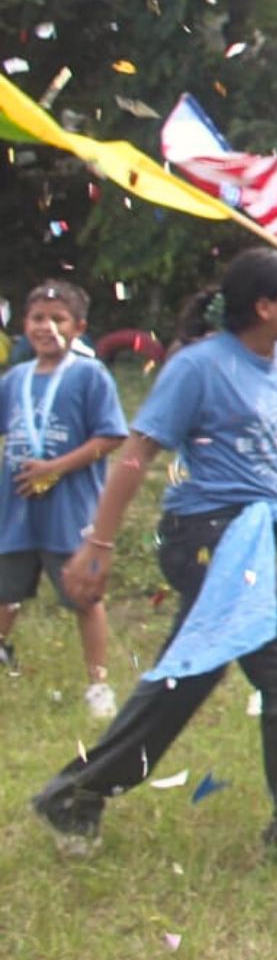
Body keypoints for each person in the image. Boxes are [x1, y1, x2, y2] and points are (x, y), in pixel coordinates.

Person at [32, 248, 277, 859]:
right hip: (208, 538)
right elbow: (137, 453)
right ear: (264, 307)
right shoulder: (199, 367)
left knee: (185, 678)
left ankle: (76, 794)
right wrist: (98, 543)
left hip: (253, 536)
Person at [0, 280, 128, 718]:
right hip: (16, 510)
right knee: (5, 591)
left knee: (84, 598)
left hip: (70, 510)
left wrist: (55, 469)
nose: (46, 327)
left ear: (79, 327)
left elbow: (111, 435)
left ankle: (98, 685)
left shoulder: (89, 375)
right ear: (24, 326)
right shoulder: (14, 379)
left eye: (58, 319)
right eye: (38, 318)